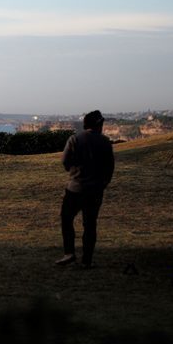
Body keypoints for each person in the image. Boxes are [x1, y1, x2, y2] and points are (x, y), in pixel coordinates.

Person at [55, 110, 115, 268]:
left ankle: (69, 253)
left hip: (75, 189)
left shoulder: (75, 139)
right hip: (95, 190)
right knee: (90, 225)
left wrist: (74, 171)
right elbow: (110, 168)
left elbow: (65, 162)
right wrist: (103, 184)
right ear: (98, 125)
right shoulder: (105, 142)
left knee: (66, 219)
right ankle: (86, 260)